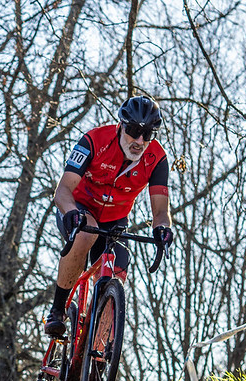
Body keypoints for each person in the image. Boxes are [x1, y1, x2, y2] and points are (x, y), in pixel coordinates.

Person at [43, 95, 174, 337]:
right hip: (80, 208)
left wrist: (163, 229)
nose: (139, 141)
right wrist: (71, 212)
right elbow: (62, 190)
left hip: (115, 220)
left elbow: (160, 211)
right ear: (121, 125)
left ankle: (98, 346)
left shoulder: (157, 158)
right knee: (85, 235)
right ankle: (57, 310)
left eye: (147, 134)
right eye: (134, 131)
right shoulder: (94, 140)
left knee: (118, 275)